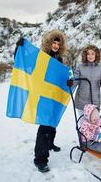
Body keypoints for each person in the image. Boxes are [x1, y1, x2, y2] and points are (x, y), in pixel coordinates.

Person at [15, 30, 67, 172]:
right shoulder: (41, 56)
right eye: (53, 42)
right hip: (42, 96)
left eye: (58, 43)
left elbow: (60, 77)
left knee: (52, 123)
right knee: (44, 127)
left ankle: (50, 144)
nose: (56, 45)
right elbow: (23, 60)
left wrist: (68, 81)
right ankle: (40, 159)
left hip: (53, 96)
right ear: (48, 43)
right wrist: (18, 47)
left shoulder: (59, 59)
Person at [67, 45, 101, 116]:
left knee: (93, 124)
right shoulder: (80, 66)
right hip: (81, 100)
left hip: (94, 101)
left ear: (96, 55)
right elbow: (75, 81)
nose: (90, 56)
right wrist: (71, 82)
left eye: (92, 54)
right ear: (85, 55)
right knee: (83, 125)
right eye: (88, 54)